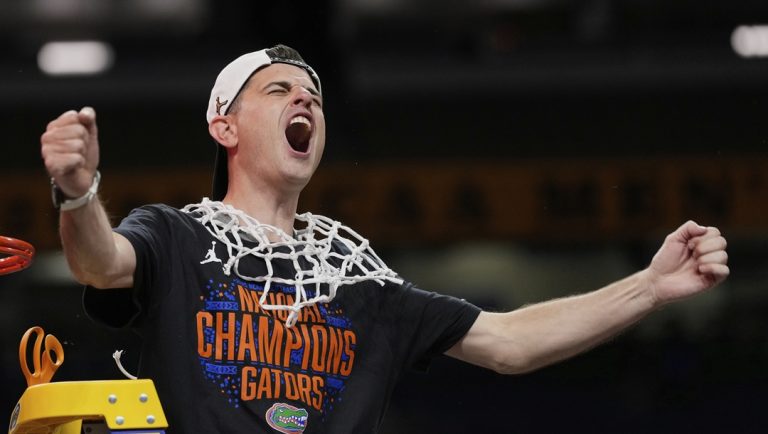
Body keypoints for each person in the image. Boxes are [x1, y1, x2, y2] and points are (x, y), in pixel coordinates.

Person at [40, 44, 729, 433]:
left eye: (313, 94)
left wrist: (651, 286)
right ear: (225, 127)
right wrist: (78, 192)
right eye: (279, 90)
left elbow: (510, 344)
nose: (305, 100)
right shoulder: (177, 234)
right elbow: (100, 263)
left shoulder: (356, 275)